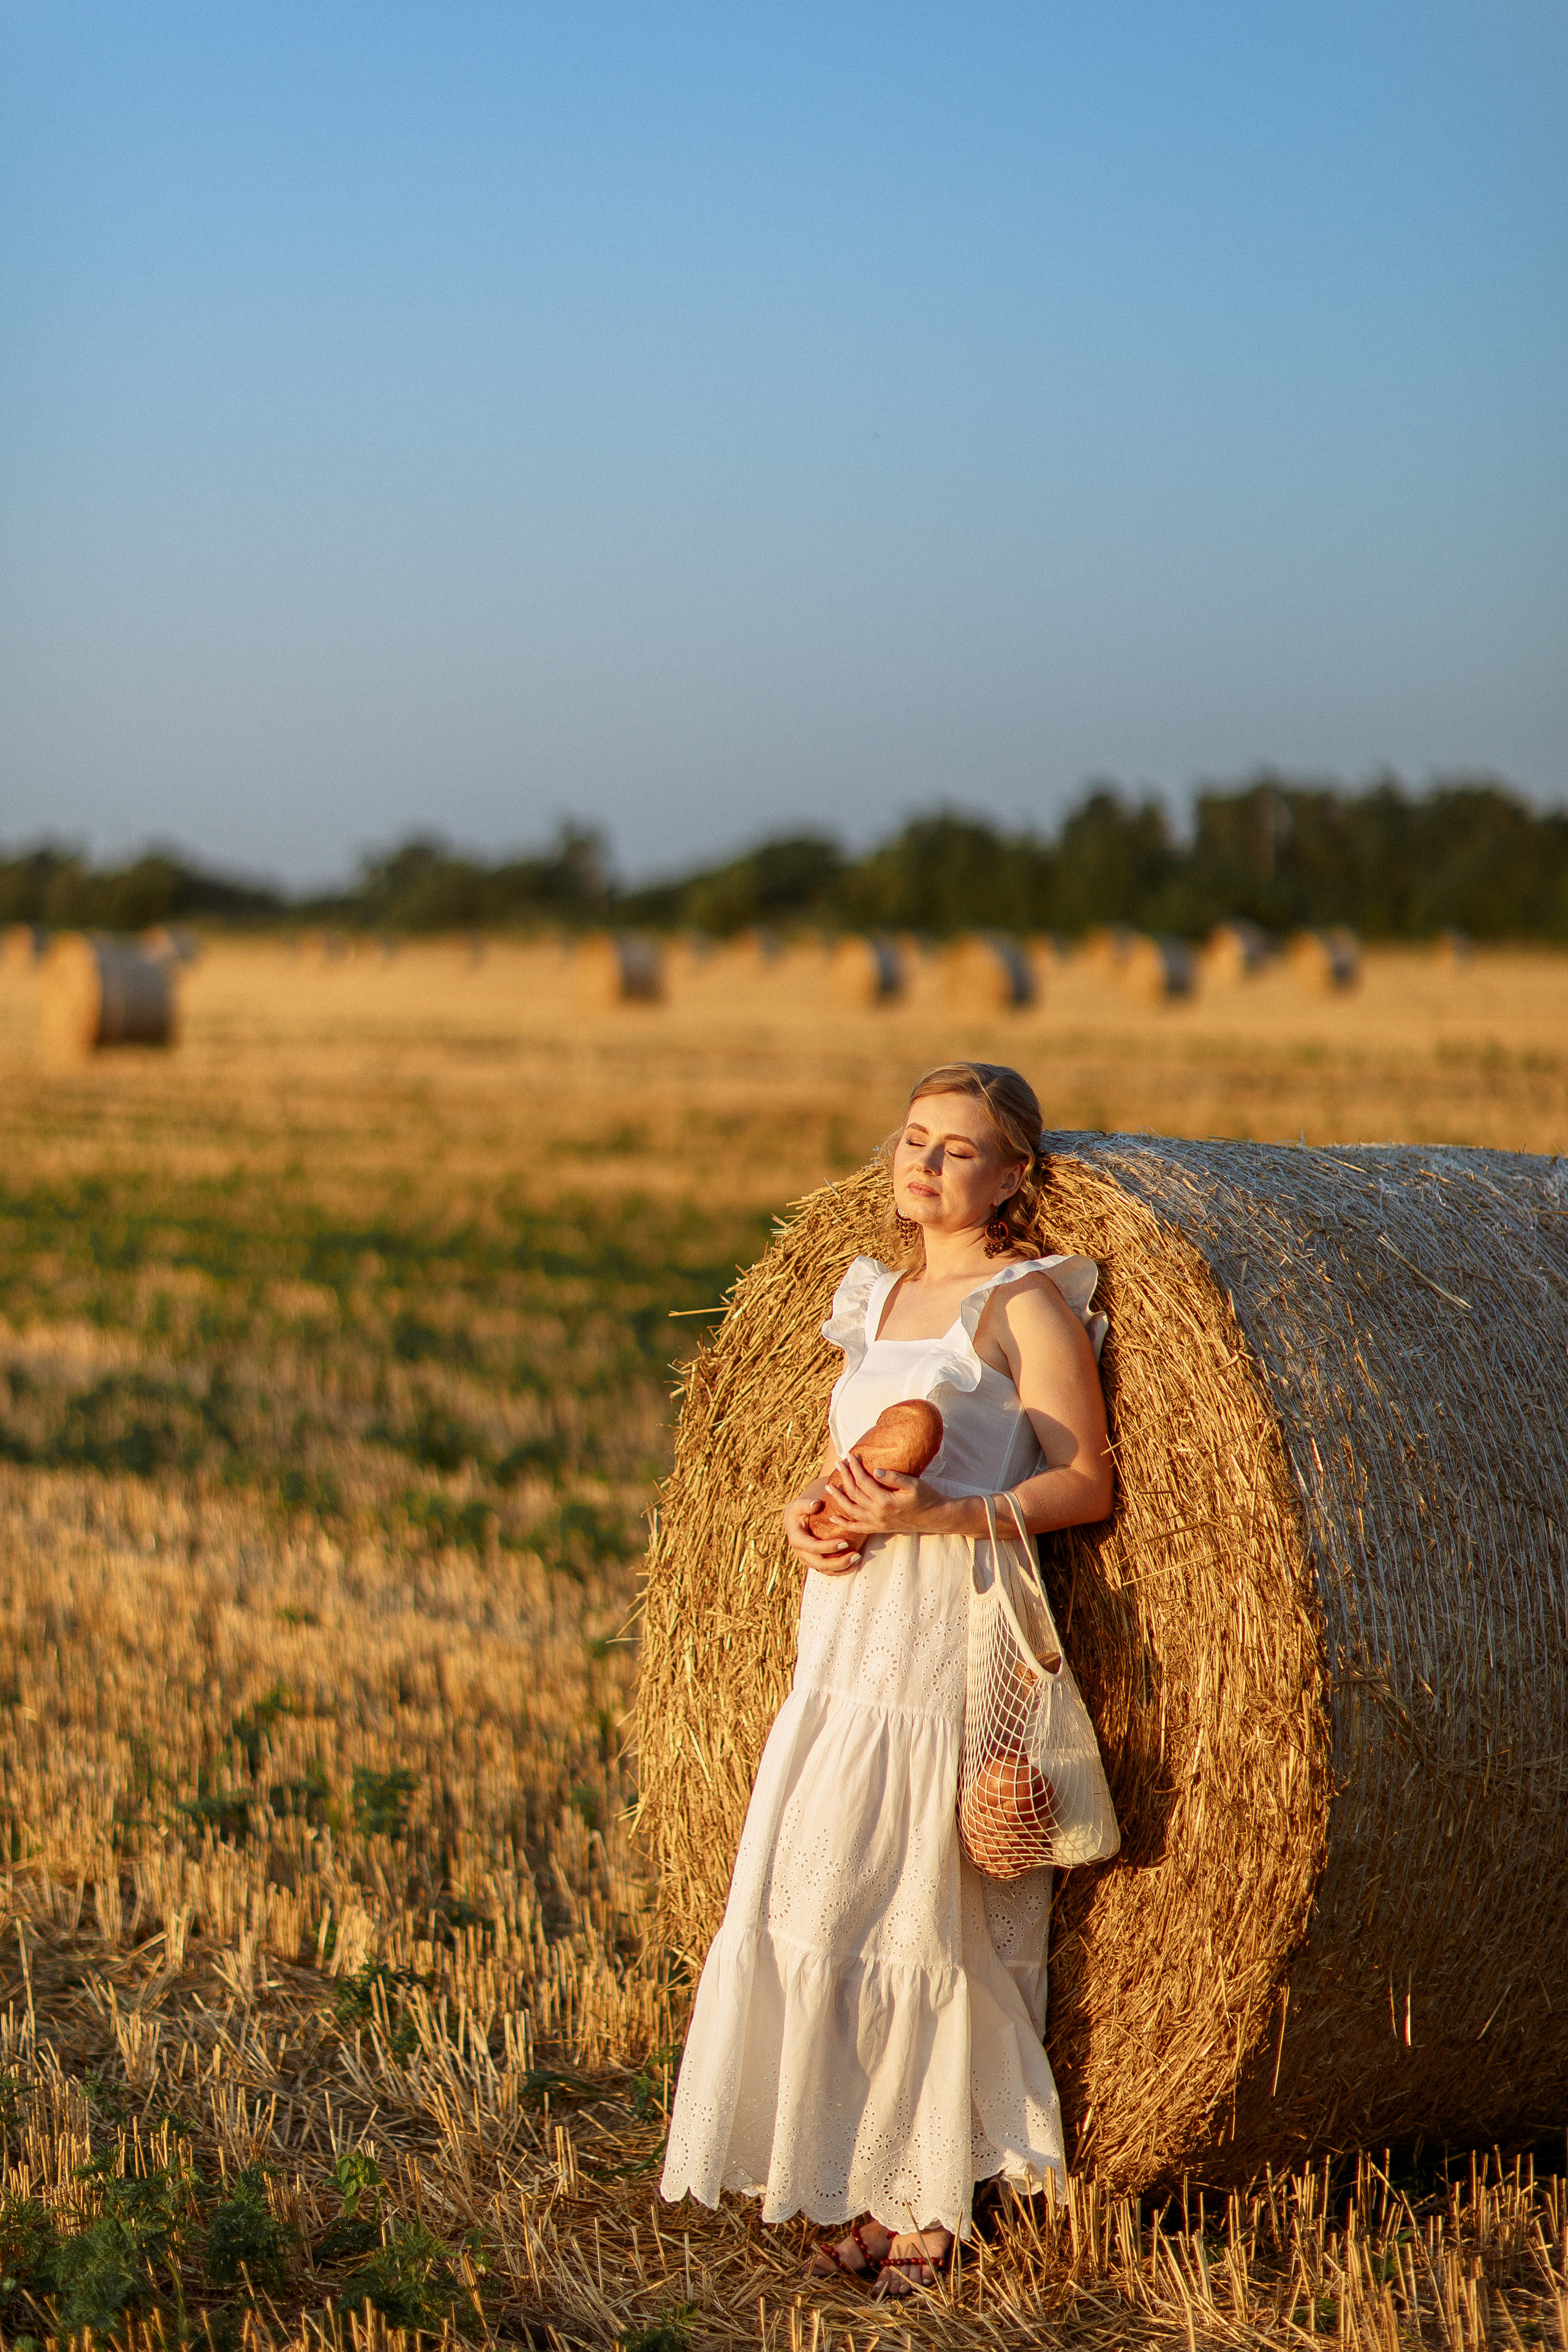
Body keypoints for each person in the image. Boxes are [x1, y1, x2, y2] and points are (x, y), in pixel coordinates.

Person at [659, 1061, 1114, 2295]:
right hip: (846, 1633)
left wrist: (940, 1520)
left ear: (1012, 1178)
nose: (926, 1163)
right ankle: (861, 2178)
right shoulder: (876, 1296)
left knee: (927, 1908)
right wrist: (804, 1515)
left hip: (948, 1627)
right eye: (914, 1139)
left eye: (959, 1150)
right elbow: (849, 1465)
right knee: (826, 1895)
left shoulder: (1025, 1304)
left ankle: (929, 2204)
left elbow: (1084, 1484)